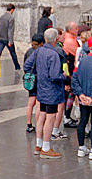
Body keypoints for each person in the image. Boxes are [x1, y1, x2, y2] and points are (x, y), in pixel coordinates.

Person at [24, 28, 65, 158]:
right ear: (56, 40)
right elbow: (54, 75)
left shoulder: (38, 51)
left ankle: (38, 144)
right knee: (50, 117)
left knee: (41, 115)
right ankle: (46, 148)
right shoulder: (54, 54)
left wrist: (39, 74)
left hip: (40, 88)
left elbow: (26, 66)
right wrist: (64, 77)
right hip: (52, 90)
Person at [23, 33, 44, 132]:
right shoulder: (41, 52)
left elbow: (25, 65)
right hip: (39, 79)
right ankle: (38, 124)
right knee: (39, 103)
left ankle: (29, 124)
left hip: (30, 79)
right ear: (41, 43)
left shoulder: (28, 52)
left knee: (30, 103)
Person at [0, 4, 21, 70]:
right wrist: (11, 41)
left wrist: (0, 34)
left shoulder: (1, 17)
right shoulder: (11, 18)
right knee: (13, 53)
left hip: (1, 38)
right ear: (12, 10)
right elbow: (10, 30)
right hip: (7, 39)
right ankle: (17, 67)